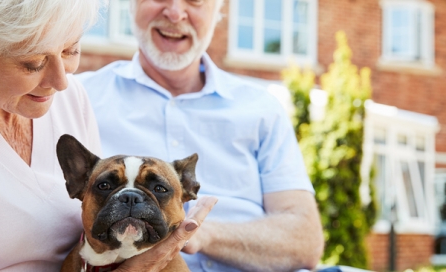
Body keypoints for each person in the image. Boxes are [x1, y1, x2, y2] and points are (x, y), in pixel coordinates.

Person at [0, 0, 322, 270]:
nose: (60, 80)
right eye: (33, 62)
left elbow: (306, 240)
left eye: (72, 51)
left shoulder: (65, 97)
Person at [76, 0, 324, 271]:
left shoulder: (263, 108)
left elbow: (306, 242)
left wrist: (194, 232)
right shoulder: (79, 98)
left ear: (219, 11)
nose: (175, 13)